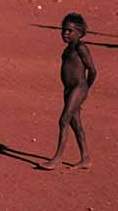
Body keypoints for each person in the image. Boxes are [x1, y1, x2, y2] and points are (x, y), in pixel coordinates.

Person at [40, 13, 96, 170]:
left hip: (79, 87)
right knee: (75, 123)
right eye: (63, 30)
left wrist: (85, 91)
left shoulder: (81, 48)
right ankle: (86, 158)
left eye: (69, 31)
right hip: (69, 90)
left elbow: (92, 70)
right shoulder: (67, 49)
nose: (65, 33)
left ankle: (57, 158)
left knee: (64, 120)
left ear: (80, 32)